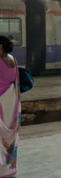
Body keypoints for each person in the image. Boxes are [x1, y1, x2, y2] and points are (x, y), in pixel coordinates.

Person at [0, 36, 20, 176]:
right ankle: (10, 168)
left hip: (1, 101)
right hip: (11, 101)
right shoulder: (13, 59)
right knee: (8, 137)